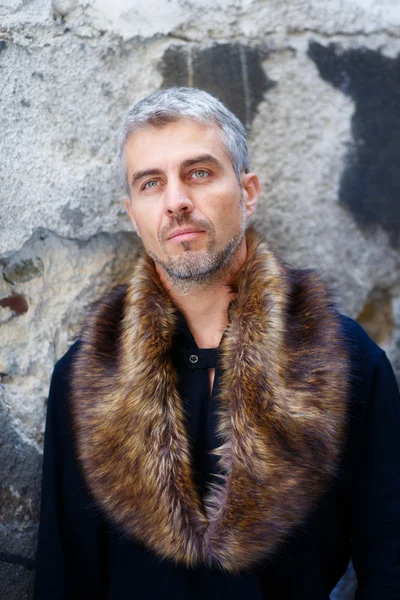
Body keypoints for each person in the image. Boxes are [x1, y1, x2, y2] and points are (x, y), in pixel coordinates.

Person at [34, 87, 400, 599]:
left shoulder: (344, 359)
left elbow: (391, 564)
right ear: (133, 212)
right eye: (151, 183)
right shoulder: (89, 374)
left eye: (199, 173)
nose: (177, 200)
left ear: (248, 192)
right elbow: (64, 576)